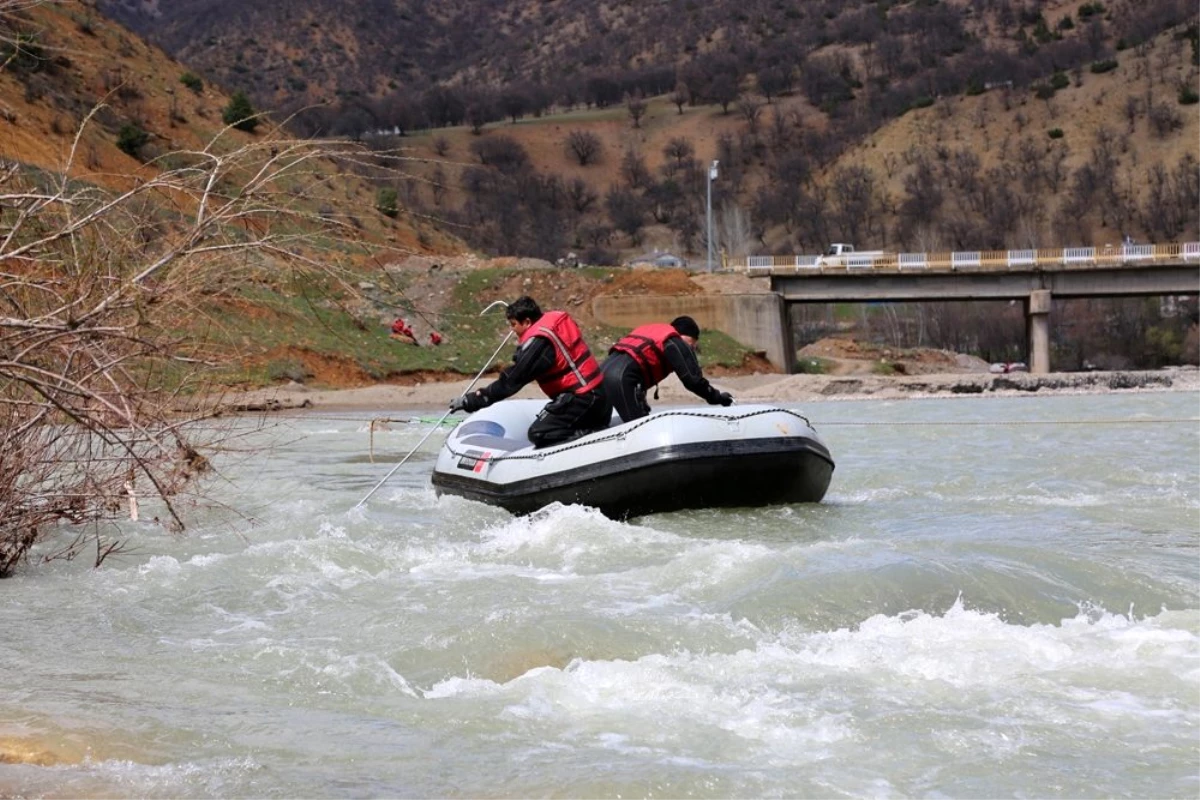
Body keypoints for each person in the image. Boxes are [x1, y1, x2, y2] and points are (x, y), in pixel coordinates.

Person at [448, 296, 612, 448]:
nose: (512, 330)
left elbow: (511, 381)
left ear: (527, 322)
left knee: (539, 433)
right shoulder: (553, 322)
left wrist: (472, 401)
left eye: (513, 325)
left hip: (584, 399)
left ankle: (590, 437)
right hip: (601, 397)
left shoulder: (540, 344)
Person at [601, 315, 733, 422]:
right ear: (685, 335)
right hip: (621, 378)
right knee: (639, 429)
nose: (692, 349)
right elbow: (693, 381)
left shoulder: (653, 332)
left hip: (601, 375)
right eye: (692, 344)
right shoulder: (674, 341)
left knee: (602, 425)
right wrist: (717, 397)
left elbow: (637, 366)